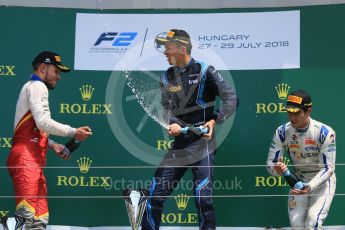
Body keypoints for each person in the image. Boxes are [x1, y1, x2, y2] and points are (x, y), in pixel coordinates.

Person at [141, 29, 238, 230]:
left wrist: (214, 121)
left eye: (168, 47)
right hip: (180, 145)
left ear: (181, 48)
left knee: (203, 200)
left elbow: (231, 99)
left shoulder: (204, 70)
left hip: (203, 146)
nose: (165, 52)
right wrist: (174, 124)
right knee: (154, 195)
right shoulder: (167, 77)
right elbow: (168, 111)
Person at [7, 51, 93, 230]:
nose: (59, 77)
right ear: (43, 68)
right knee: (26, 218)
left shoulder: (32, 87)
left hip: (32, 158)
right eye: (57, 71)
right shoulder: (38, 86)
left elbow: (34, 128)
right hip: (27, 158)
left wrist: (52, 144)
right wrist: (73, 132)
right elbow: (43, 122)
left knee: (39, 219)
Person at [266, 90, 336, 229]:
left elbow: (329, 168)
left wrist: (310, 186)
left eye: (296, 112)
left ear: (308, 110)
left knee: (312, 223)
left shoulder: (325, 132)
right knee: (296, 225)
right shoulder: (281, 132)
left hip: (322, 183)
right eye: (289, 112)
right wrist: (277, 169)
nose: (292, 117)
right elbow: (270, 165)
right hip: (298, 182)